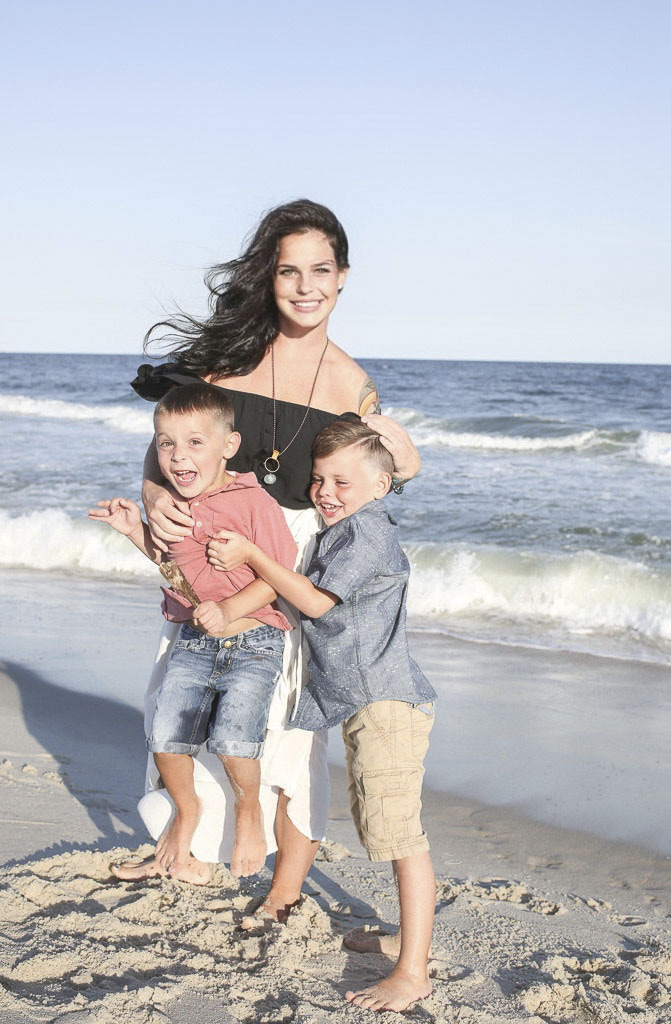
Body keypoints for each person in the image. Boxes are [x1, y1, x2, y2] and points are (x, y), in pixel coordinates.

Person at [120, 199, 422, 923]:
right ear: (270, 276)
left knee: (285, 731)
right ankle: (181, 845)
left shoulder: (355, 385)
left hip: (289, 568)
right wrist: (153, 493)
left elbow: (378, 478)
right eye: (289, 270)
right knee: (178, 699)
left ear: (342, 278)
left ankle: (285, 889)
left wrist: (408, 459)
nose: (305, 285)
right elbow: (166, 447)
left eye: (320, 270)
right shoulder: (227, 361)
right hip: (207, 556)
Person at [215, 417, 436, 1014]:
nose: (325, 491)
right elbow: (302, 591)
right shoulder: (341, 531)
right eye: (318, 479)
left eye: (342, 480)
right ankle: (400, 940)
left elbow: (312, 600)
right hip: (369, 702)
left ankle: (412, 970)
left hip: (387, 704)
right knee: (381, 824)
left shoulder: (365, 537)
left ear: (381, 485)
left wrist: (252, 553)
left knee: (400, 836)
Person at [89, 383, 298, 880]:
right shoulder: (175, 507)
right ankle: (186, 812)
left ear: (228, 445)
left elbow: (279, 576)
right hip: (196, 640)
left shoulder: (252, 501)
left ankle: (249, 809)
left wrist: (228, 609)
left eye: (194, 443)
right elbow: (172, 567)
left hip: (254, 640)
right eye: (166, 443)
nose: (178, 455)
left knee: (232, 740)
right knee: (165, 736)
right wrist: (134, 530)